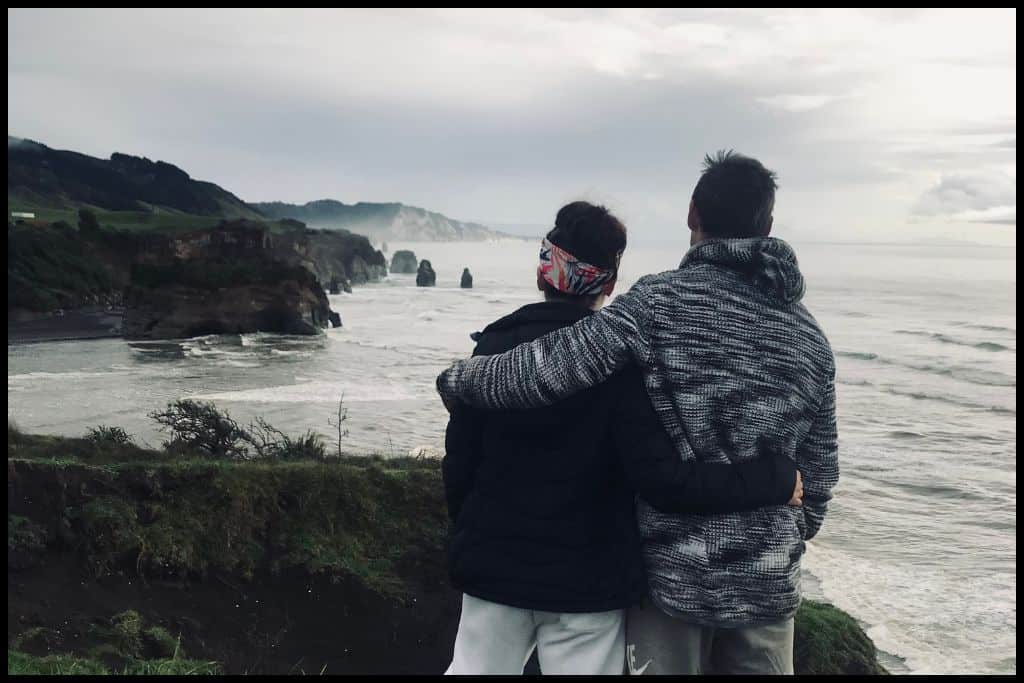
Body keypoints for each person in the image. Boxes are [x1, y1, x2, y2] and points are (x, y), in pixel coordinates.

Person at [438, 153, 839, 675]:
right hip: (765, 586)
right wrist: (777, 538)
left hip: (672, 583)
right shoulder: (811, 339)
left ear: (692, 214)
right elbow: (821, 479)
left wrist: (458, 380)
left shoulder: (656, 304)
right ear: (768, 226)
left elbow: (546, 369)